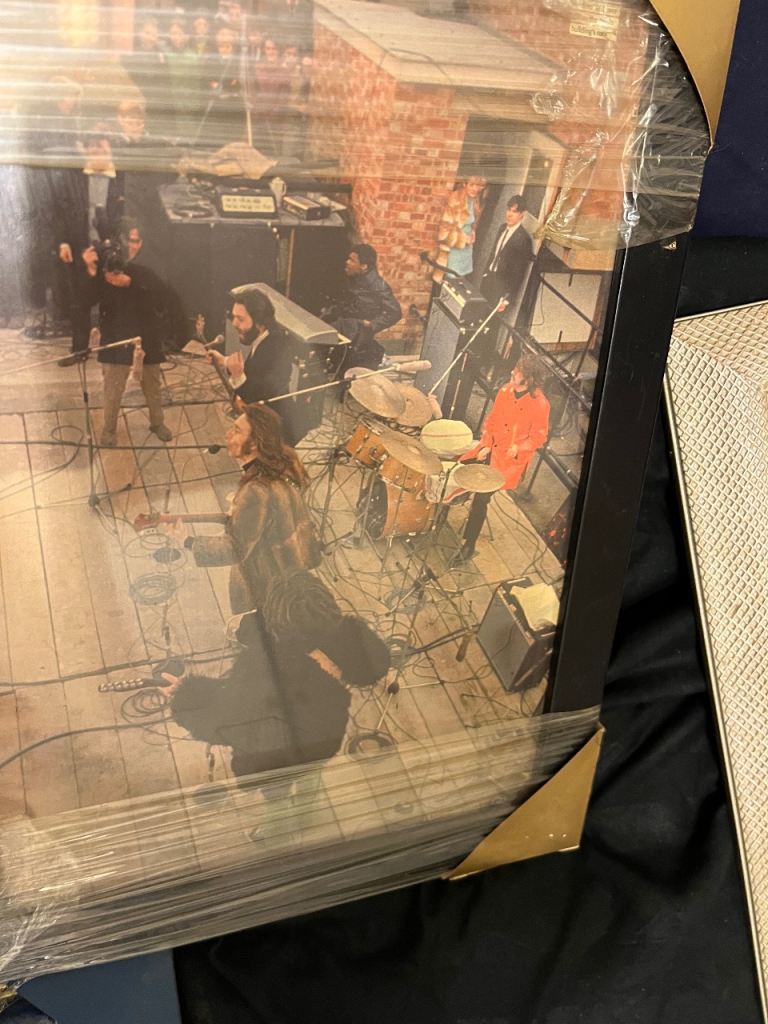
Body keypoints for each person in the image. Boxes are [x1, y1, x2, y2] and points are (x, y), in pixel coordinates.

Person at [159, 572, 390, 791]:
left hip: (273, 759)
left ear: (275, 620)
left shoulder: (263, 670)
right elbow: (375, 664)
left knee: (276, 793)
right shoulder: (349, 636)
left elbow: (226, 720)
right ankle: (309, 805)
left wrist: (184, 694)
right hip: (322, 744)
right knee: (311, 779)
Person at [181, 402, 322, 613]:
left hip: (267, 580)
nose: (228, 435)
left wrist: (187, 541)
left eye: (237, 430)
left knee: (258, 624)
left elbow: (235, 549)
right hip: (293, 561)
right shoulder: (286, 460)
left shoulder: (256, 491)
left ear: (255, 443)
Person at [454, 354, 550, 562]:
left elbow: (539, 436)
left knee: (481, 499)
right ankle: (450, 503)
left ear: (529, 379)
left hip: (507, 462)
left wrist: (519, 447)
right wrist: (486, 445)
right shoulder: (505, 391)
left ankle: (468, 545)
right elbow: (492, 420)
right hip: (490, 449)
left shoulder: (540, 404)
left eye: (518, 372)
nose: (513, 372)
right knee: (457, 468)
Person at [83, 239, 173, 447]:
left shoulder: (142, 273)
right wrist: (91, 271)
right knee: (112, 389)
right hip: (116, 339)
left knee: (152, 386)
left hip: (145, 337)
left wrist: (132, 285)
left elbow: (161, 297)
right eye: (109, 274)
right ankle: (109, 429)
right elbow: (85, 300)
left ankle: (157, 423)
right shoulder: (101, 279)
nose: (113, 278)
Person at [53, 128, 125, 366]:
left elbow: (126, 219)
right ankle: (79, 350)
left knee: (113, 302)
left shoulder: (122, 179)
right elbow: (62, 212)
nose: (97, 153)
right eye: (92, 148)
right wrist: (64, 242)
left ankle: (112, 350)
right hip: (82, 249)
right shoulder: (75, 179)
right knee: (79, 302)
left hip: (113, 251)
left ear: (111, 151)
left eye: (102, 148)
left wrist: (113, 248)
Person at [209, 286, 303, 444]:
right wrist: (223, 361)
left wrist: (237, 376)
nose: (234, 323)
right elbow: (256, 374)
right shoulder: (266, 339)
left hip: (275, 434)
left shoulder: (276, 349)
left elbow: (260, 395)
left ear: (259, 322)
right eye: (234, 317)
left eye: (240, 319)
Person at [324, 243, 402, 377]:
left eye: (352, 260)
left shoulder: (378, 286)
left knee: (348, 373)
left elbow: (395, 312)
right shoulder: (353, 278)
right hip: (345, 330)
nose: (347, 262)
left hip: (357, 338)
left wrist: (372, 324)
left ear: (364, 266)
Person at [480, 194, 534, 310]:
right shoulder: (502, 228)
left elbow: (519, 273)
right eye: (509, 209)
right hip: (488, 279)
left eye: (514, 212)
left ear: (522, 214)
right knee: (477, 313)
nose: (509, 214)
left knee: (489, 319)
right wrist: (485, 274)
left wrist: (506, 299)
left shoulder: (523, 239)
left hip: (501, 287)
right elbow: (494, 254)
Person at [432, 174, 487, 287]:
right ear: (464, 184)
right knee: (449, 283)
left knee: (459, 284)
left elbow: (471, 221)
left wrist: (473, 231)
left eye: (477, 185)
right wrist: (463, 239)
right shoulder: (455, 199)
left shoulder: (475, 200)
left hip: (465, 251)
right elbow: (444, 232)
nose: (474, 189)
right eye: (471, 185)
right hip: (453, 250)